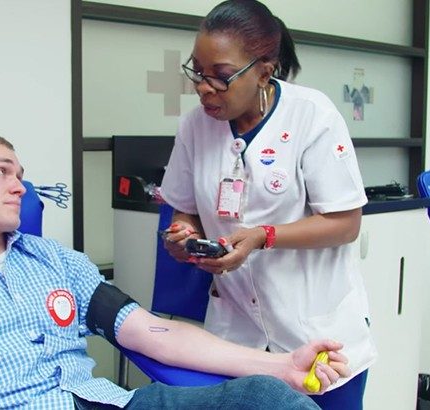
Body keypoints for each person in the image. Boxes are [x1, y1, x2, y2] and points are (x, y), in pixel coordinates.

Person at [0, 132, 350, 409]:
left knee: (264, 398)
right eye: (2, 172)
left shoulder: (56, 262)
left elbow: (154, 333)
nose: (21, 186)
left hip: (110, 403)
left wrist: (281, 365)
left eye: (20, 174)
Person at [159, 1, 377, 409]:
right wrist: (184, 235)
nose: (205, 87)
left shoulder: (312, 116)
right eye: (197, 72)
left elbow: (345, 223)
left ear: (264, 69)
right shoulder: (194, 126)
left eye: (221, 77)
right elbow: (184, 209)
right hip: (236, 338)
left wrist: (263, 236)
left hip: (317, 335)